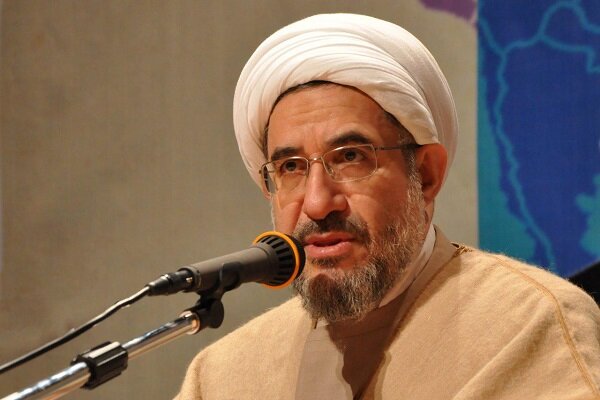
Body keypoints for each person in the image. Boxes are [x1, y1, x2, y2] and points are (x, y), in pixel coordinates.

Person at [175, 14, 600, 399]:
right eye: (290, 167)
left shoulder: (528, 323)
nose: (318, 203)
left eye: (351, 157)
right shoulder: (221, 375)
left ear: (426, 175)